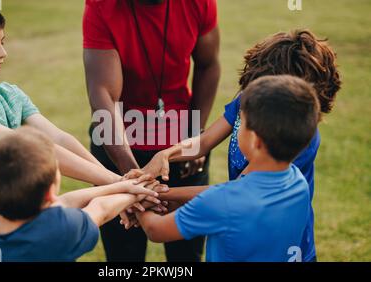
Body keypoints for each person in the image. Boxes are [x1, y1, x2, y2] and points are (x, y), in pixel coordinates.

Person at [0, 0, 149, 261]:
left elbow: (58, 138)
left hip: (27, 226)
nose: (2, 52)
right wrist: (119, 184)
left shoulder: (9, 94)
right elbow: (36, 152)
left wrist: (112, 181)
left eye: (3, 42)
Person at [138, 29, 341, 261]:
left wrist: (152, 195)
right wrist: (165, 155)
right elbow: (204, 142)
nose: (241, 108)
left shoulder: (293, 138)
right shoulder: (254, 101)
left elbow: (236, 194)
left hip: (275, 240)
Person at [83, 0, 220, 262]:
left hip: (181, 149)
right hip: (118, 147)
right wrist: (134, 177)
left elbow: (208, 64)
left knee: (187, 257)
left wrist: (194, 137)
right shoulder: (102, 5)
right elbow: (103, 95)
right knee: (124, 258)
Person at [0, 127, 164, 262]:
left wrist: (124, 185)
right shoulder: (60, 230)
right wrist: (140, 192)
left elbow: (62, 203)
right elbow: (101, 209)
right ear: (49, 193)